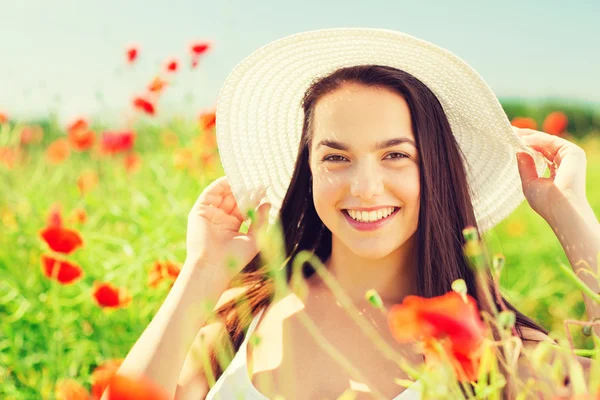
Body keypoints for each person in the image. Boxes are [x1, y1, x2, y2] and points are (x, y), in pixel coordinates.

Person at [106, 28, 600, 400]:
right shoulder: (244, 316)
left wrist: (571, 214)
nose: (364, 188)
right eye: (336, 157)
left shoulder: (494, 346)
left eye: (395, 155)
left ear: (437, 171)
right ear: (310, 171)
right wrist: (203, 270)